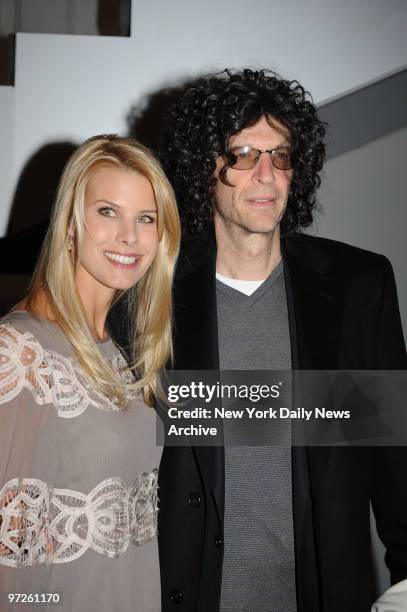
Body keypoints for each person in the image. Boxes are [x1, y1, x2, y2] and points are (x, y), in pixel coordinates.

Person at [156, 69, 407, 611]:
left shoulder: (359, 287)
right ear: (206, 167)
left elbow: (393, 462)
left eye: (282, 155)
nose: (266, 175)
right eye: (243, 155)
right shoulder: (151, 289)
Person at [0, 134, 180, 611]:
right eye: (108, 212)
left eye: (146, 219)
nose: (129, 236)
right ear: (71, 223)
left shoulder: (120, 357)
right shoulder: (19, 352)